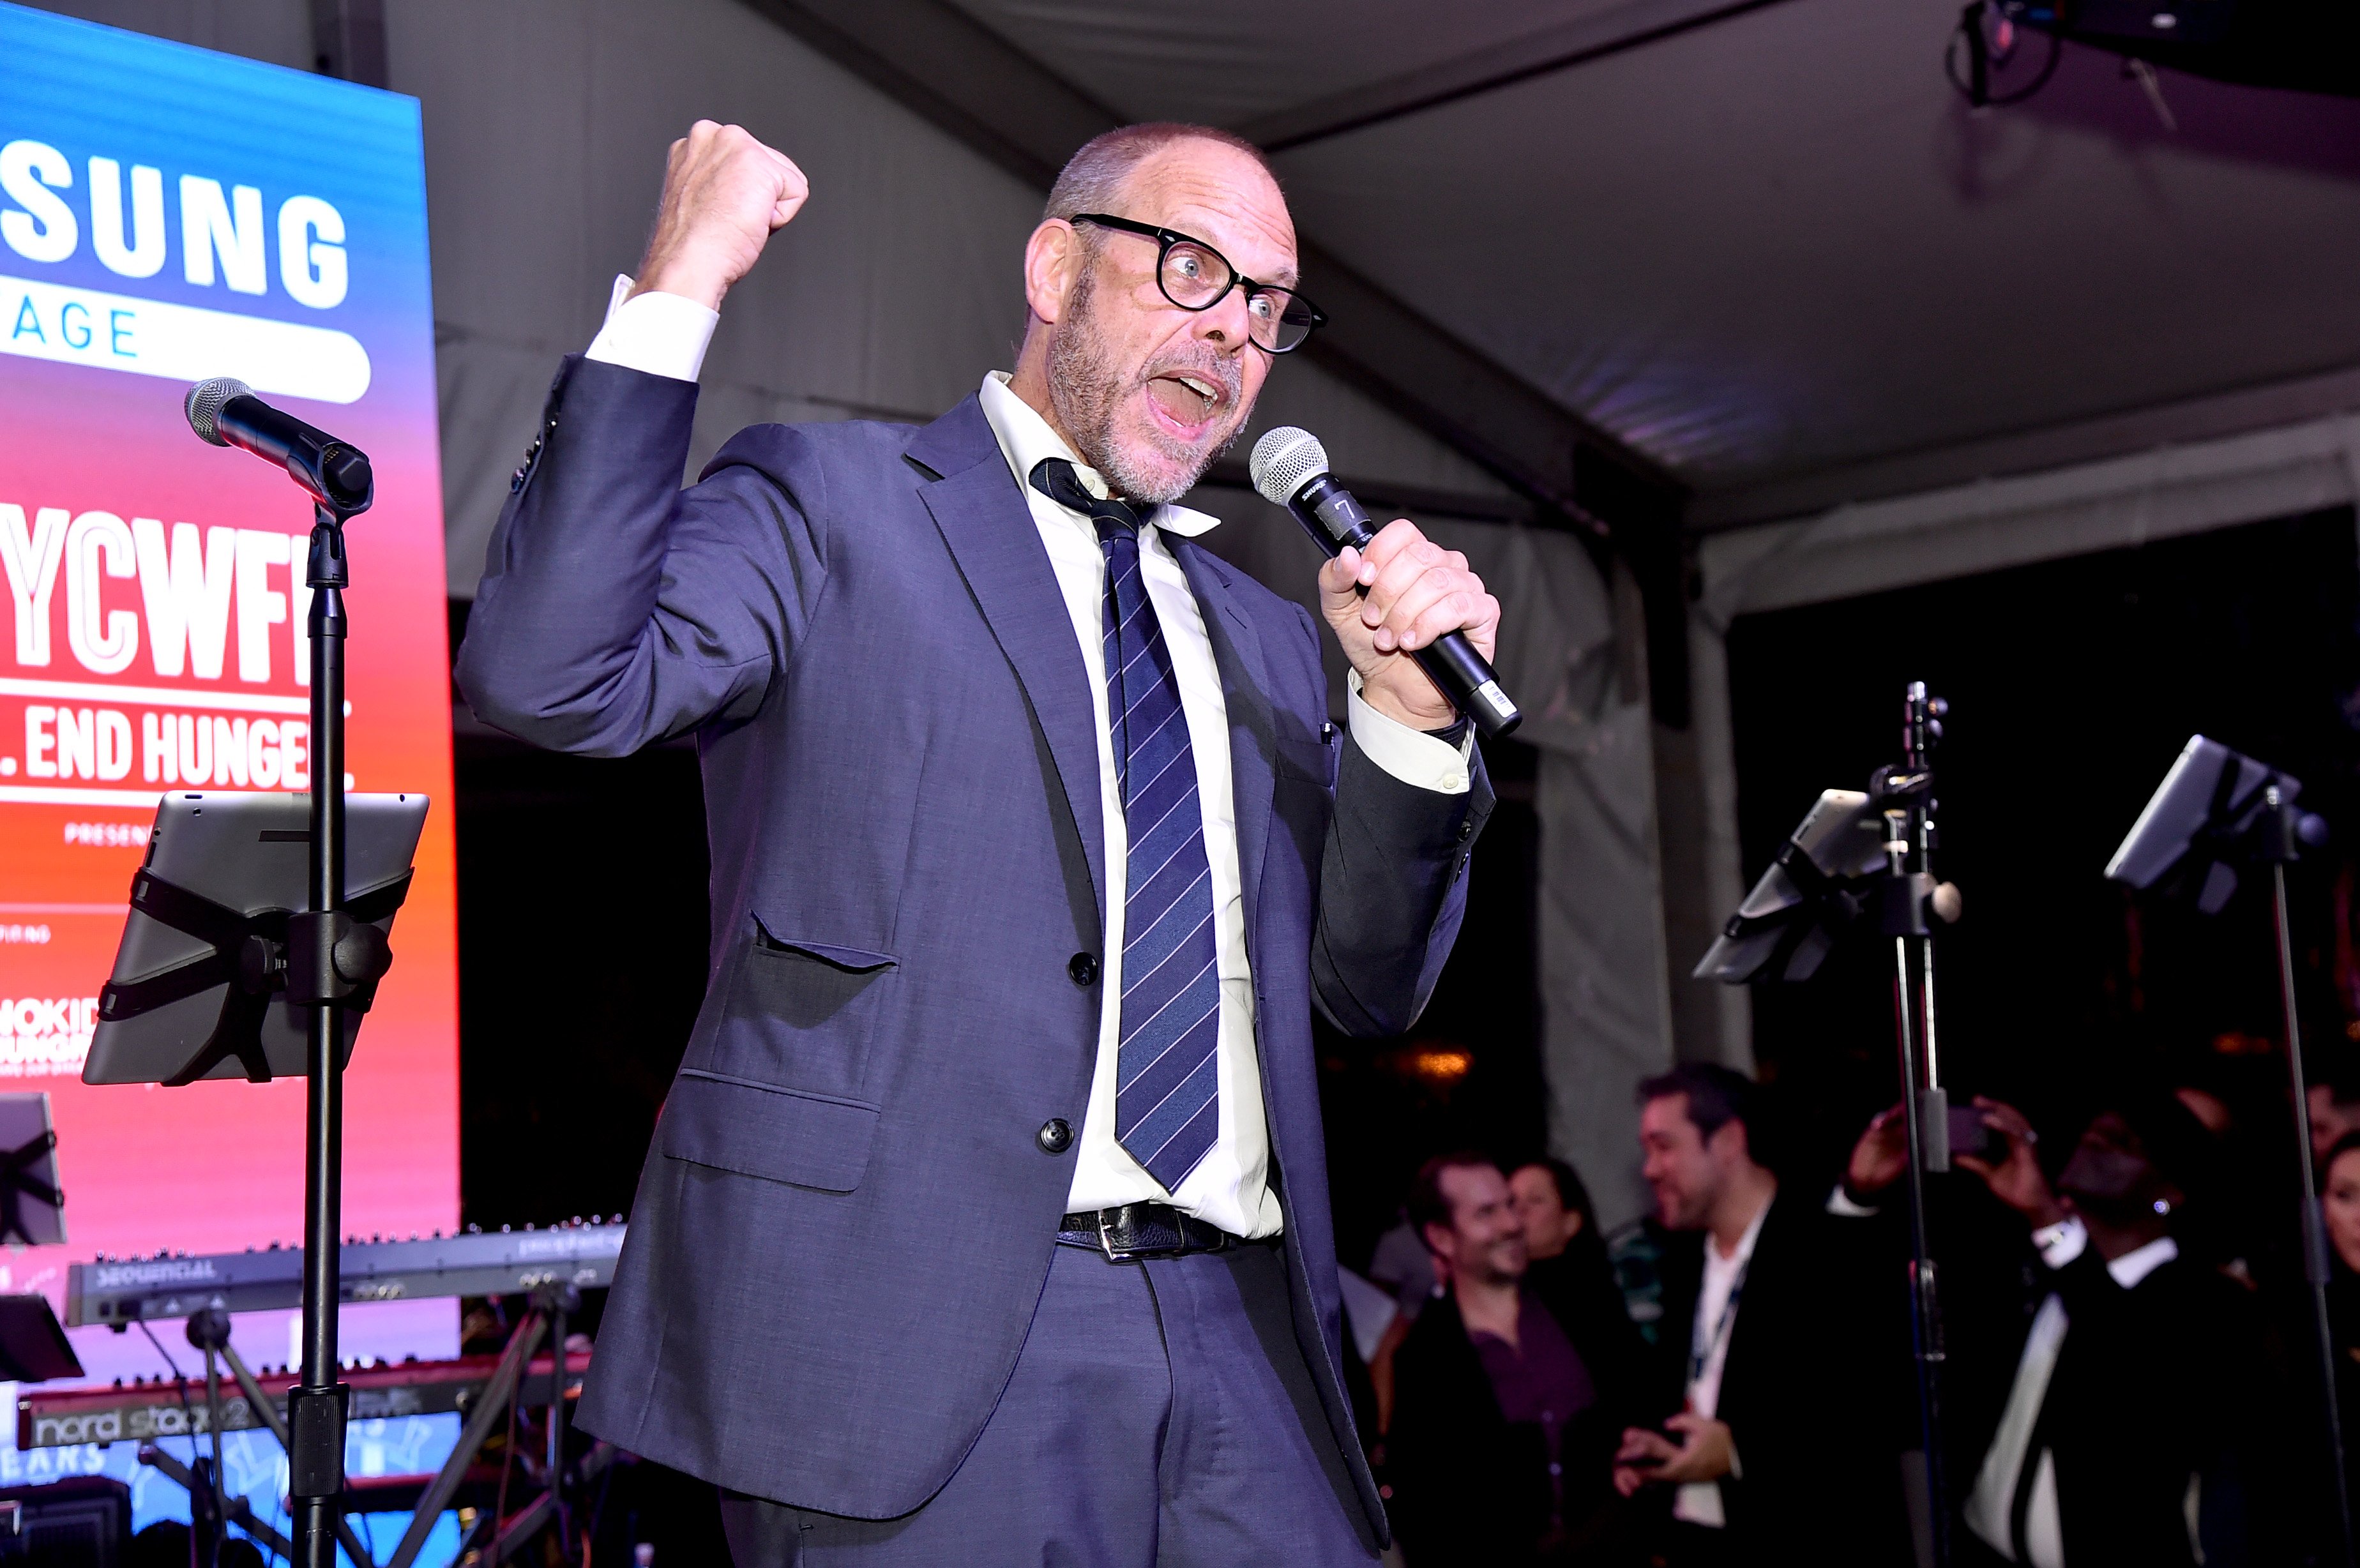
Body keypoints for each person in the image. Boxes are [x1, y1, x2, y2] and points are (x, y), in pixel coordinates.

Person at [457, 119, 1502, 1565]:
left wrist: (1402, 720)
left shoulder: (1264, 634)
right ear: (1057, 267)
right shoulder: (832, 504)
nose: (1232, 335)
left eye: (1267, 306)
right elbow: (547, 672)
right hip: (915, 1337)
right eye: (1192, 270)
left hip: (1246, 1338)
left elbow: (1368, 987)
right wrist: (681, 276)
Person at [1918, 1094, 2268, 1567]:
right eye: (2091, 1133)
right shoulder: (2038, 1270)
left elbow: (2126, 1370)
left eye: (2120, 1141)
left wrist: (2051, 1225)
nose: (2093, 1143)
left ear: (2170, 1191)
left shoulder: (2209, 1302)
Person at [1612, 1064, 1905, 1565]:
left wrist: (1737, 1452)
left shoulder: (1821, 1246)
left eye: (1664, 1147)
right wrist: (1654, 1444)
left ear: (1727, 1140)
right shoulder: (1683, 1260)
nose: (1650, 1169)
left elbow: (1861, 1409)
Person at [1389, 1154, 1632, 1566]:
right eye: (1487, 1213)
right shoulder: (1426, 1359)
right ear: (1443, 1238)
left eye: (1511, 1206)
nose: (1512, 1224)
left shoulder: (1581, 1303)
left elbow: (1640, 1399)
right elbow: (1425, 1510)